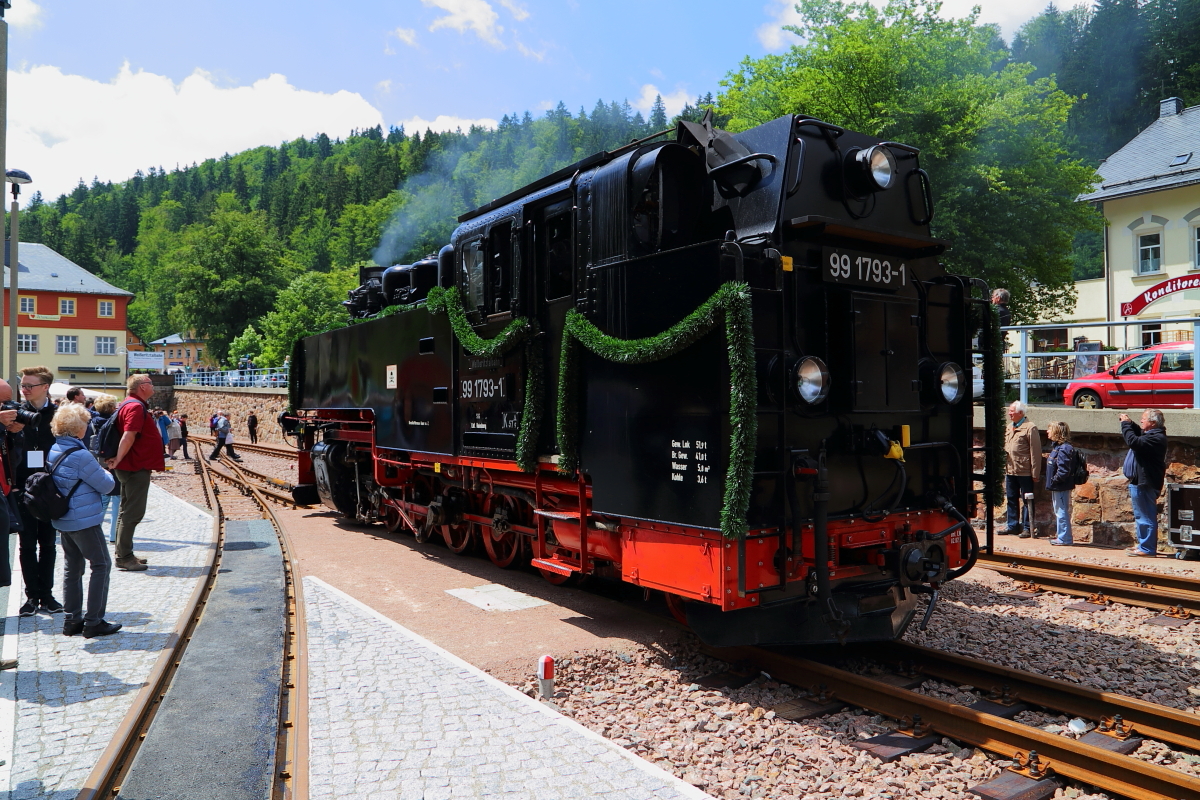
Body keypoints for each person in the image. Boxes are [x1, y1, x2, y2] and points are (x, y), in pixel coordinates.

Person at [48, 403, 121, 637]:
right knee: (101, 565)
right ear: (78, 428)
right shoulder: (80, 455)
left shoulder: (55, 449)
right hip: (84, 520)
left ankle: (72, 620)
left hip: (63, 519)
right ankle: (94, 622)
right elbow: (108, 486)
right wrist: (108, 471)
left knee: (72, 568)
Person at [11, 366, 65, 616]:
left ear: (45, 387)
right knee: (26, 545)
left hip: (49, 488)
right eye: (23, 385)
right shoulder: (13, 413)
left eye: (29, 385)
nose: (25, 389)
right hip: (21, 487)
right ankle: (32, 596)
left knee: (49, 544)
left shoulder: (58, 415)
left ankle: (47, 595)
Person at [105, 374, 164, 571]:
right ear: (141, 387)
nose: (153, 386)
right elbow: (128, 436)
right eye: (150, 383)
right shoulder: (136, 407)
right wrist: (118, 459)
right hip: (134, 466)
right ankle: (124, 557)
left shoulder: (129, 404)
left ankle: (124, 553)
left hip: (132, 465)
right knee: (133, 512)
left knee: (125, 509)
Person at [1120, 408, 1168, 557]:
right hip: (1140, 481)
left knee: (1146, 516)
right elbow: (1139, 433)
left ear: (1152, 423)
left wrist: (1125, 426)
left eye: (1143, 419)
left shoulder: (1156, 438)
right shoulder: (1151, 434)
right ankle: (1143, 545)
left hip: (1146, 483)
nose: (1141, 421)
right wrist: (1130, 423)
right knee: (1141, 515)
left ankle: (1147, 548)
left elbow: (1133, 441)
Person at [1002, 400, 1042, 538]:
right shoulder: (1009, 427)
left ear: (1020, 413)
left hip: (1025, 471)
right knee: (1011, 498)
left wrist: (1035, 472)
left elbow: (1035, 452)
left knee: (1027, 500)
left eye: (1011, 411)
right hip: (1010, 469)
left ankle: (1027, 527)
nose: (1009, 413)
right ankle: (1012, 526)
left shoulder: (1030, 427)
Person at [91, 395, 121, 544]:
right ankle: (114, 535)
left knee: (102, 501)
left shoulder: (92, 422)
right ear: (111, 407)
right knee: (117, 501)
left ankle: (96, 532)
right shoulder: (113, 423)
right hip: (113, 463)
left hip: (97, 464)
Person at [1044, 422, 1078, 546]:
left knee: (1061, 510)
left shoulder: (1064, 448)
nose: (1047, 432)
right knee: (1059, 510)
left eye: (1050, 430)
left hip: (1061, 485)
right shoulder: (1058, 447)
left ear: (1057, 432)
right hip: (1058, 485)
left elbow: (1063, 470)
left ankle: (1065, 538)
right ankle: (1062, 536)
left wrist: (1055, 480)